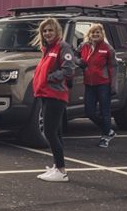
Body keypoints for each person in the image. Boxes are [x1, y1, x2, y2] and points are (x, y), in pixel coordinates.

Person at [32, 17, 75, 182]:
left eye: (50, 30)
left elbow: (69, 70)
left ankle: (61, 171)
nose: (47, 33)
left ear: (57, 31)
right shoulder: (47, 49)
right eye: (45, 30)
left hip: (55, 95)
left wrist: (50, 78)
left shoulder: (63, 47)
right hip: (45, 94)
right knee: (56, 132)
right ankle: (57, 166)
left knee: (49, 132)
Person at [78, 23, 117, 148]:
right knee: (89, 112)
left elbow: (113, 67)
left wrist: (113, 86)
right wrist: (79, 61)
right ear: (89, 34)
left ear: (102, 34)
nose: (95, 34)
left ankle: (105, 137)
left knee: (105, 111)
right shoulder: (83, 46)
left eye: (98, 32)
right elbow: (72, 56)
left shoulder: (108, 49)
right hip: (89, 84)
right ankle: (108, 129)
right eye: (93, 32)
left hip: (103, 84)